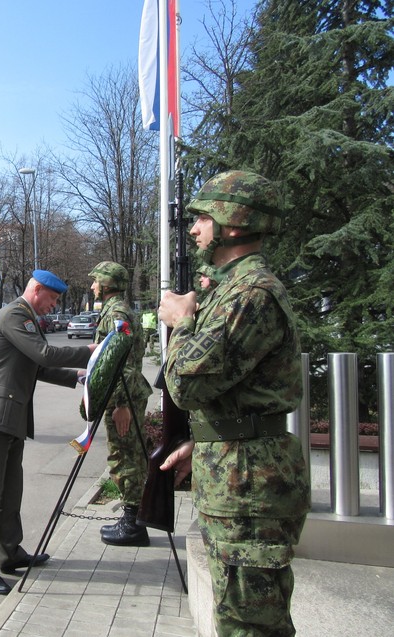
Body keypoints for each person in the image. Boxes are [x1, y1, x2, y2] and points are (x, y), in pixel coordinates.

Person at [157, 171, 310, 636]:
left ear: (234, 223)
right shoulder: (232, 289)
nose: (194, 227)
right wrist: (205, 441)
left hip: (249, 483)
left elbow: (186, 385)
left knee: (250, 625)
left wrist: (182, 323)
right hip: (236, 467)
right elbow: (230, 391)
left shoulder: (250, 293)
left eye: (203, 217)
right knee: (240, 614)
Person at [0, 270, 95, 595]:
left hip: (11, 417)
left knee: (10, 494)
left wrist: (78, 376)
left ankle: (9, 554)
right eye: (52, 298)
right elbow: (44, 355)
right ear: (36, 290)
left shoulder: (27, 319)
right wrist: (91, 351)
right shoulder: (14, 315)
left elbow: (39, 367)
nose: (53, 305)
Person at [88, 261, 153, 547]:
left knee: (126, 456)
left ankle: (134, 523)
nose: (92, 286)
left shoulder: (117, 313)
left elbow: (124, 362)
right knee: (123, 454)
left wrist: (122, 404)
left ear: (107, 284)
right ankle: (132, 518)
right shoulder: (113, 312)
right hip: (119, 394)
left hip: (123, 397)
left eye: (95, 281)